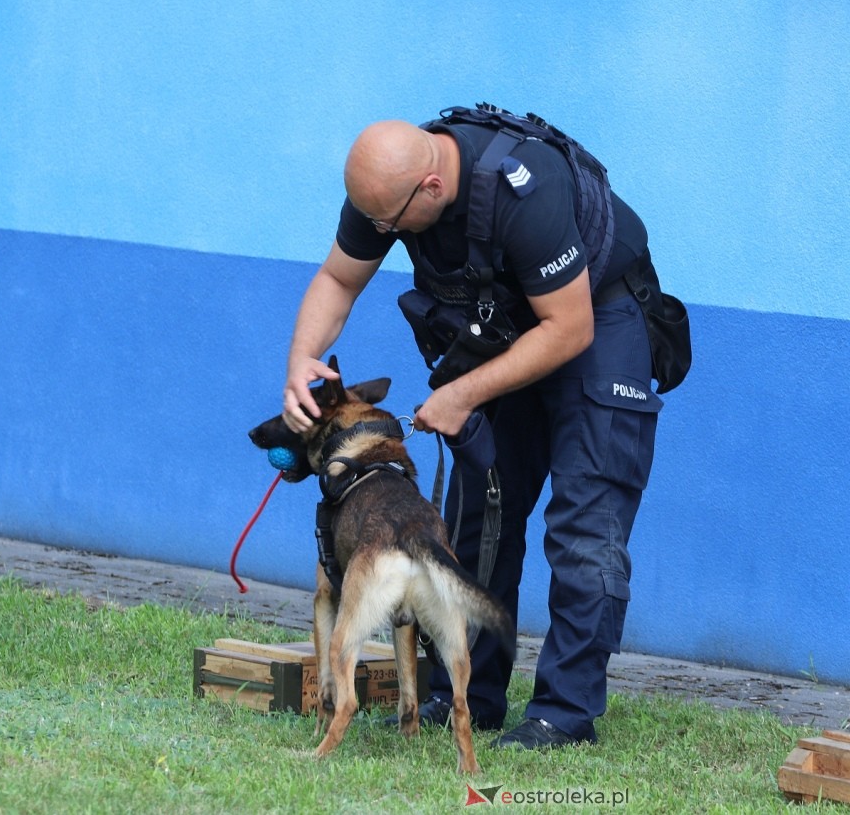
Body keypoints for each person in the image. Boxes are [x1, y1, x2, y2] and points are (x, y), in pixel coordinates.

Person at [281, 108, 664, 750]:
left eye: (389, 224)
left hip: (595, 319)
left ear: (430, 188)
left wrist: (461, 393)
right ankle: (467, 695)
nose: (380, 233)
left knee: (583, 524)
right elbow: (338, 278)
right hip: (509, 331)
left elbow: (569, 329)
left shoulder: (525, 190)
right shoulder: (384, 185)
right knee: (479, 513)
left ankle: (562, 715)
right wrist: (300, 361)